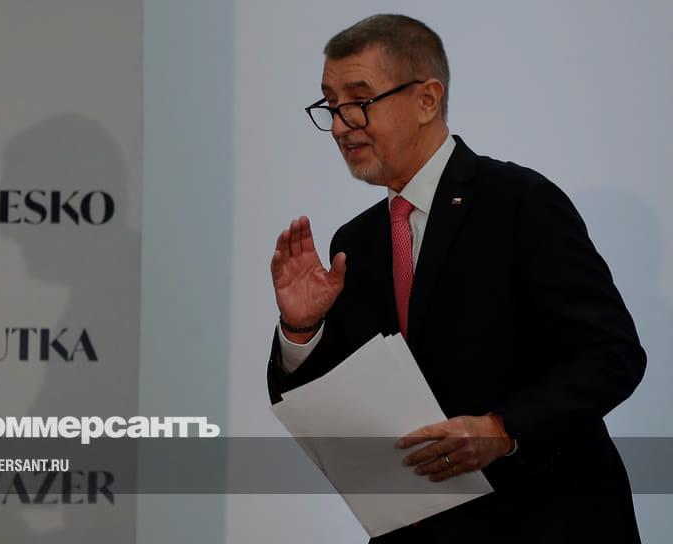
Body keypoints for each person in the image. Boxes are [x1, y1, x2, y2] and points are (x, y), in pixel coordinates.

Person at [266, 14, 646, 543]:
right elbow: (340, 405)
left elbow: (613, 355)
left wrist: (502, 429)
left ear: (427, 100)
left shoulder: (520, 202)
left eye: (359, 100)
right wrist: (301, 331)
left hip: (545, 523)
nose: (339, 125)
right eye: (330, 104)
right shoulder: (357, 242)